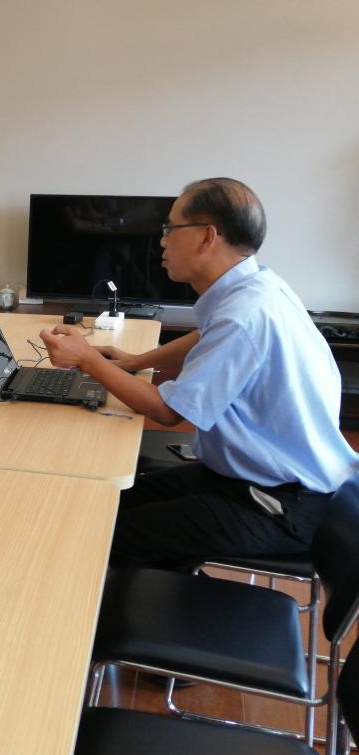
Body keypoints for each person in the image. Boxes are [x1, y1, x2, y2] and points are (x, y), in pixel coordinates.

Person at [38, 177, 359, 569]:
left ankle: (128, 603)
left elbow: (167, 411)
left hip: (282, 502)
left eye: (170, 228)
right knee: (109, 502)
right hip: (254, 476)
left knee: (106, 534)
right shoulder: (257, 286)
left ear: (207, 237)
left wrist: (89, 359)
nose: (161, 241)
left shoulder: (243, 316)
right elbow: (207, 335)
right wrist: (135, 361)